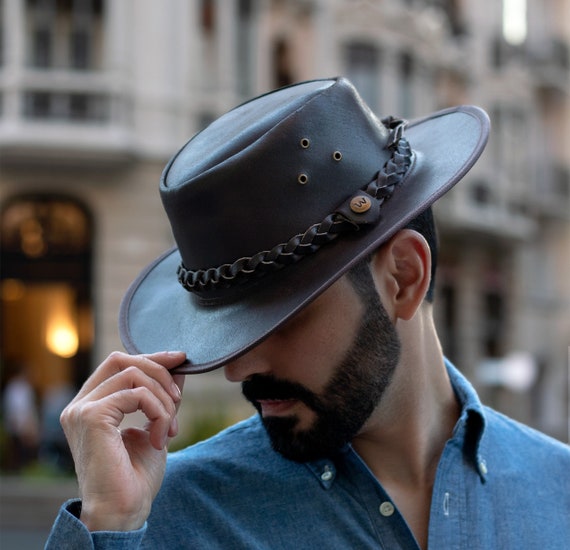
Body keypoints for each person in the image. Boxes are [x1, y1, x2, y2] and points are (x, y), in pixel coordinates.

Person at [46, 77, 569, 549]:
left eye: (284, 314)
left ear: (404, 278)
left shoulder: (559, 491)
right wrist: (109, 524)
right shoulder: (167, 517)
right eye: (228, 329)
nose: (237, 367)